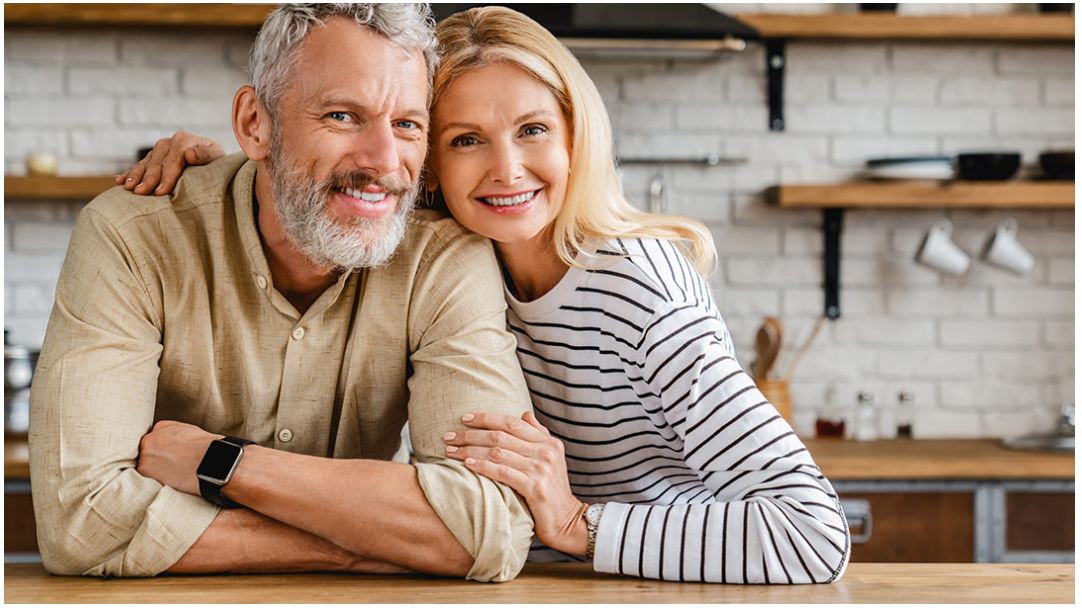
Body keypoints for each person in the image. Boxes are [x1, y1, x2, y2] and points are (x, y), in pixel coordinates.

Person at [120, 6, 851, 584]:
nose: (507, 170)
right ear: (429, 159)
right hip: (534, 582)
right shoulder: (453, 260)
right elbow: (341, 179)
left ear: (576, 136)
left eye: (532, 129)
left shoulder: (639, 290)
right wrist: (224, 167)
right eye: (466, 139)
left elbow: (814, 534)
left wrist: (575, 524)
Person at [29, 4, 535, 582]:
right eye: (343, 115)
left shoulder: (442, 256)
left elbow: (492, 527)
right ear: (254, 125)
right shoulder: (132, 236)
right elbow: (80, 524)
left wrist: (222, 464)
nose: (384, 161)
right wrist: (364, 543)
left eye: (407, 125)